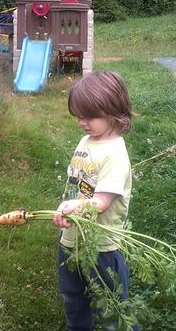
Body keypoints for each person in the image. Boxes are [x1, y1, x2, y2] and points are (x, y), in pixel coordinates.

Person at [53, 71, 139, 331]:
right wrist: (67, 206)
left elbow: (101, 201)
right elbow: (78, 182)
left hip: (101, 247)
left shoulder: (115, 155)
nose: (81, 122)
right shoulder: (86, 140)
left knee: (110, 305)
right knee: (73, 296)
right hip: (71, 240)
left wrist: (73, 208)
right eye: (78, 115)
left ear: (113, 111)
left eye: (88, 116)